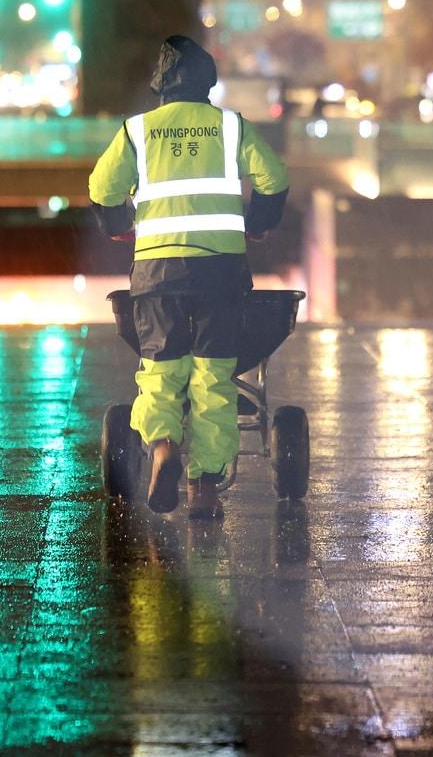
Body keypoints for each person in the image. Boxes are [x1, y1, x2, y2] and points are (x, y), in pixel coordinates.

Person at [89, 36, 290, 519]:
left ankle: (162, 449)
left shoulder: (138, 130)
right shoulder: (230, 127)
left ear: (159, 85)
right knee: (213, 380)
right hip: (220, 274)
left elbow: (101, 187)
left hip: (158, 275)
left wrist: (119, 228)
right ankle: (203, 487)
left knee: (160, 375)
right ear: (208, 82)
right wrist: (259, 224)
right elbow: (275, 179)